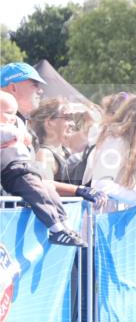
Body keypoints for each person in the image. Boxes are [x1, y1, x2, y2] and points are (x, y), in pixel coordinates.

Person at [0, 91, 86, 246]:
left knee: (48, 190)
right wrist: (19, 133)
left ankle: (64, 224)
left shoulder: (15, 125)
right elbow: (7, 132)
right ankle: (55, 228)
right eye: (8, 113)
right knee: (37, 191)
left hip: (25, 169)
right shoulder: (8, 129)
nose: (13, 117)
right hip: (13, 171)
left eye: (14, 113)